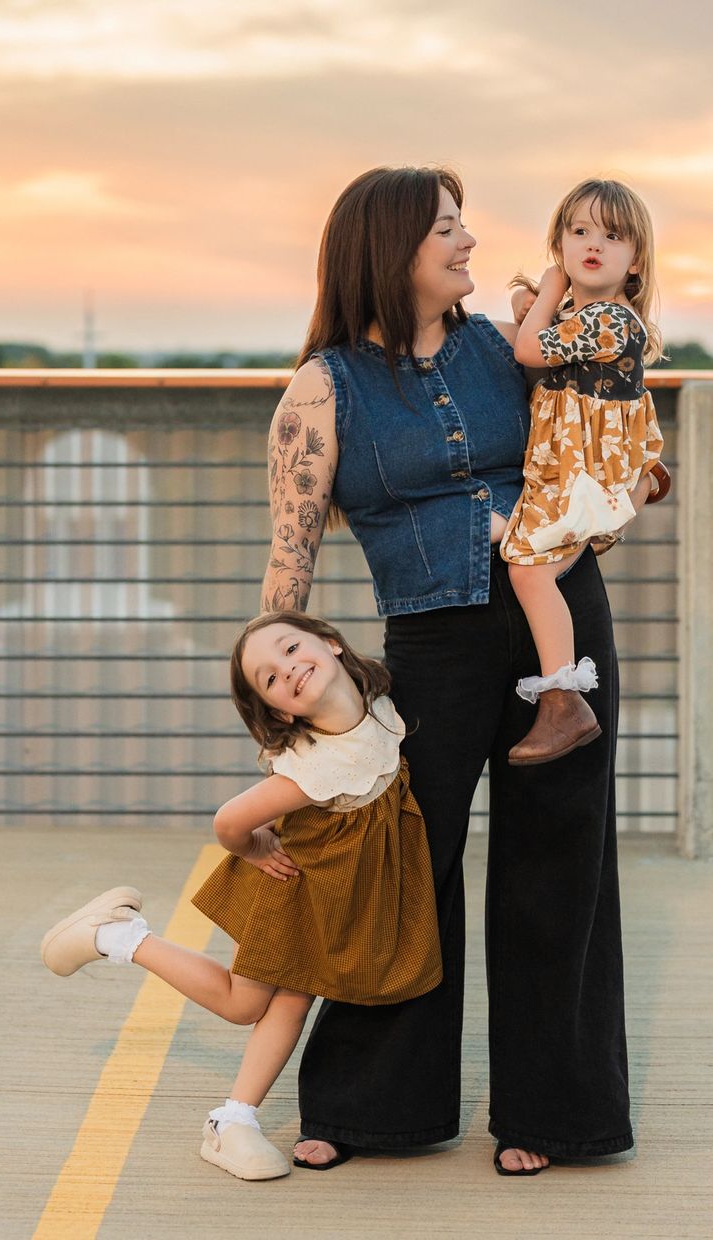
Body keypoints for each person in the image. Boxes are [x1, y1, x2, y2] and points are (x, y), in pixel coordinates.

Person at [261, 165, 633, 1176]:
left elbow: (585, 441)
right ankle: (371, 1104)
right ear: (391, 251)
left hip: (558, 623)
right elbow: (290, 567)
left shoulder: (506, 348)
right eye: (447, 230)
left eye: (464, 226)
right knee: (403, 868)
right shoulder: (320, 389)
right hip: (430, 640)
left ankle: (555, 1115)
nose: (468, 244)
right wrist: (278, 712)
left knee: (561, 863)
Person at [39, 611, 441, 1182]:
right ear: (281, 711)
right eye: (271, 678)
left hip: (331, 896)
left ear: (329, 643)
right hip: (296, 888)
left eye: (291, 649)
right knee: (243, 1004)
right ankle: (115, 936)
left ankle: (235, 1119)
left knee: (293, 1002)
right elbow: (229, 820)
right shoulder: (313, 768)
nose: (289, 669)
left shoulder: (377, 703)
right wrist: (253, 848)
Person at [499, 179, 670, 765]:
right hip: (573, 467)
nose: (594, 244)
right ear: (561, 240)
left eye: (613, 236)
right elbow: (538, 334)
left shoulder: (610, 321)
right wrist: (540, 303)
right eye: (580, 232)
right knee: (514, 542)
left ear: (635, 259)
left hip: (583, 474)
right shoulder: (587, 315)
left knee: (529, 572)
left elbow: (529, 351)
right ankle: (643, 484)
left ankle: (563, 701)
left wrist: (547, 289)